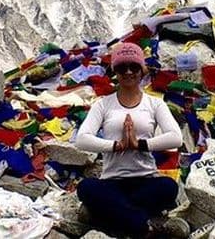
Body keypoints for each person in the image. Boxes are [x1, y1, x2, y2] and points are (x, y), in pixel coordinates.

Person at [75, 42, 188, 238]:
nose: (128, 72)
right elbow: (82, 140)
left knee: (169, 187)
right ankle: (143, 226)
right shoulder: (103, 105)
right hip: (111, 181)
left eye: (134, 67)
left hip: (146, 180)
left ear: (142, 70)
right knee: (86, 187)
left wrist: (140, 145)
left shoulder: (155, 103)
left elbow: (176, 137)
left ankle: (111, 218)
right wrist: (115, 146)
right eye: (121, 67)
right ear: (114, 71)